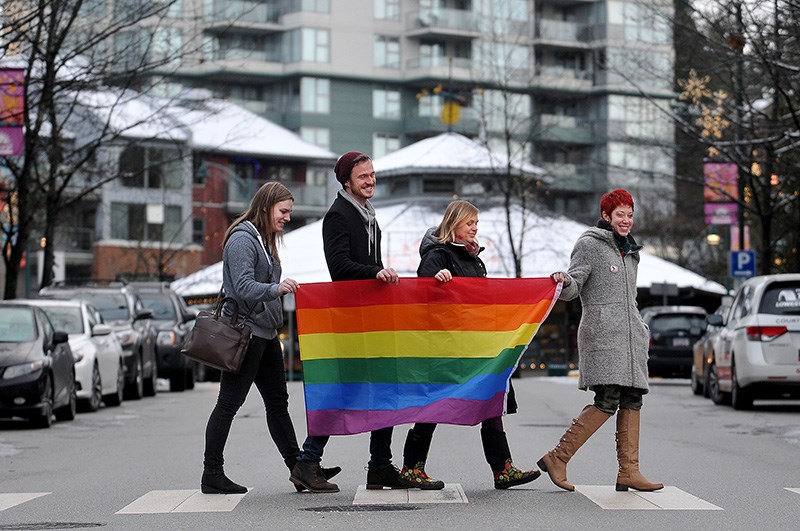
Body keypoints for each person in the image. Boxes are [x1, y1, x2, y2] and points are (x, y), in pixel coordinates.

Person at [201, 182, 340, 494]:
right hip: (245, 335)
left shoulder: (265, 241)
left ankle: (300, 467)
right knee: (229, 403)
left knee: (278, 404)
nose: (288, 217)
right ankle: (211, 472)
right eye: (284, 211)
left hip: (265, 335)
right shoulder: (241, 240)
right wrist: (275, 289)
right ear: (266, 208)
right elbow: (241, 286)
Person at [398, 200, 541, 490]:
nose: (475, 228)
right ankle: (412, 468)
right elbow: (423, 293)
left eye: (476, 223)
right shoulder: (437, 255)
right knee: (434, 404)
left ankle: (503, 469)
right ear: (453, 225)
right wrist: (436, 279)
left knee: (490, 399)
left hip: (476, 345)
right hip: (447, 346)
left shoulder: (475, 259)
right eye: (470, 223)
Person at [290, 151, 406, 492]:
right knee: (343, 392)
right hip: (351, 321)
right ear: (346, 183)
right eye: (362, 177)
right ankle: (308, 462)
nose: (370, 181)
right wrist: (375, 271)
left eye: (372, 175)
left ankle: (380, 466)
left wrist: (379, 274)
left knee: (386, 390)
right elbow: (339, 267)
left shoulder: (369, 216)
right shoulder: (338, 216)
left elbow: (371, 265)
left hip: (371, 318)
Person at [537, 189, 663, 493]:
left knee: (633, 399)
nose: (626, 220)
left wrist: (640, 327)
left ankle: (629, 472)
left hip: (631, 336)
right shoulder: (590, 245)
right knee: (606, 401)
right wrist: (563, 281)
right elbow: (574, 284)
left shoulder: (632, 252)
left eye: (630, 214)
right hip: (604, 335)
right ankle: (558, 457)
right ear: (606, 216)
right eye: (620, 214)